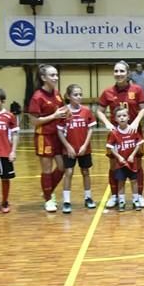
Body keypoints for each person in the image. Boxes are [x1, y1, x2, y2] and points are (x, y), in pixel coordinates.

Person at [96, 61, 144, 209]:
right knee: (114, 166)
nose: (118, 74)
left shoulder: (137, 89)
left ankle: (139, 195)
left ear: (128, 73)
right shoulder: (108, 92)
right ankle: (115, 196)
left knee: (137, 165)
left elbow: (143, 108)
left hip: (134, 133)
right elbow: (99, 110)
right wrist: (106, 122)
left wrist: (136, 122)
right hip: (116, 135)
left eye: (121, 71)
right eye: (116, 71)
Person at [28, 64, 68, 213]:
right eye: (52, 75)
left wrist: (67, 113)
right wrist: (53, 116)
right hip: (44, 136)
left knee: (62, 166)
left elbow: (62, 111)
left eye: (57, 74)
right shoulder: (37, 97)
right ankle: (48, 199)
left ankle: (47, 190)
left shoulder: (57, 93)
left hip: (57, 135)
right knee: (46, 169)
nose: (56, 78)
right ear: (43, 78)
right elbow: (33, 121)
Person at [58, 84, 97, 214]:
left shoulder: (86, 111)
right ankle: (67, 201)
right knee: (68, 173)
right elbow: (59, 131)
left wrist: (85, 145)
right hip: (69, 149)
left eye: (80, 94)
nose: (79, 97)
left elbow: (90, 128)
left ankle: (88, 197)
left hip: (84, 148)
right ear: (68, 96)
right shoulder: (63, 111)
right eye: (75, 95)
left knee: (85, 172)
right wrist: (68, 146)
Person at [106, 107, 144, 210]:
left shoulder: (133, 130)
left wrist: (132, 155)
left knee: (134, 181)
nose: (122, 118)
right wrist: (118, 157)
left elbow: (138, 144)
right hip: (120, 163)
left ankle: (136, 200)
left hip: (132, 162)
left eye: (124, 115)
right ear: (115, 119)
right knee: (121, 181)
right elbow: (111, 147)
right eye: (119, 116)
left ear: (128, 117)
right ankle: (121, 201)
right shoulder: (114, 133)